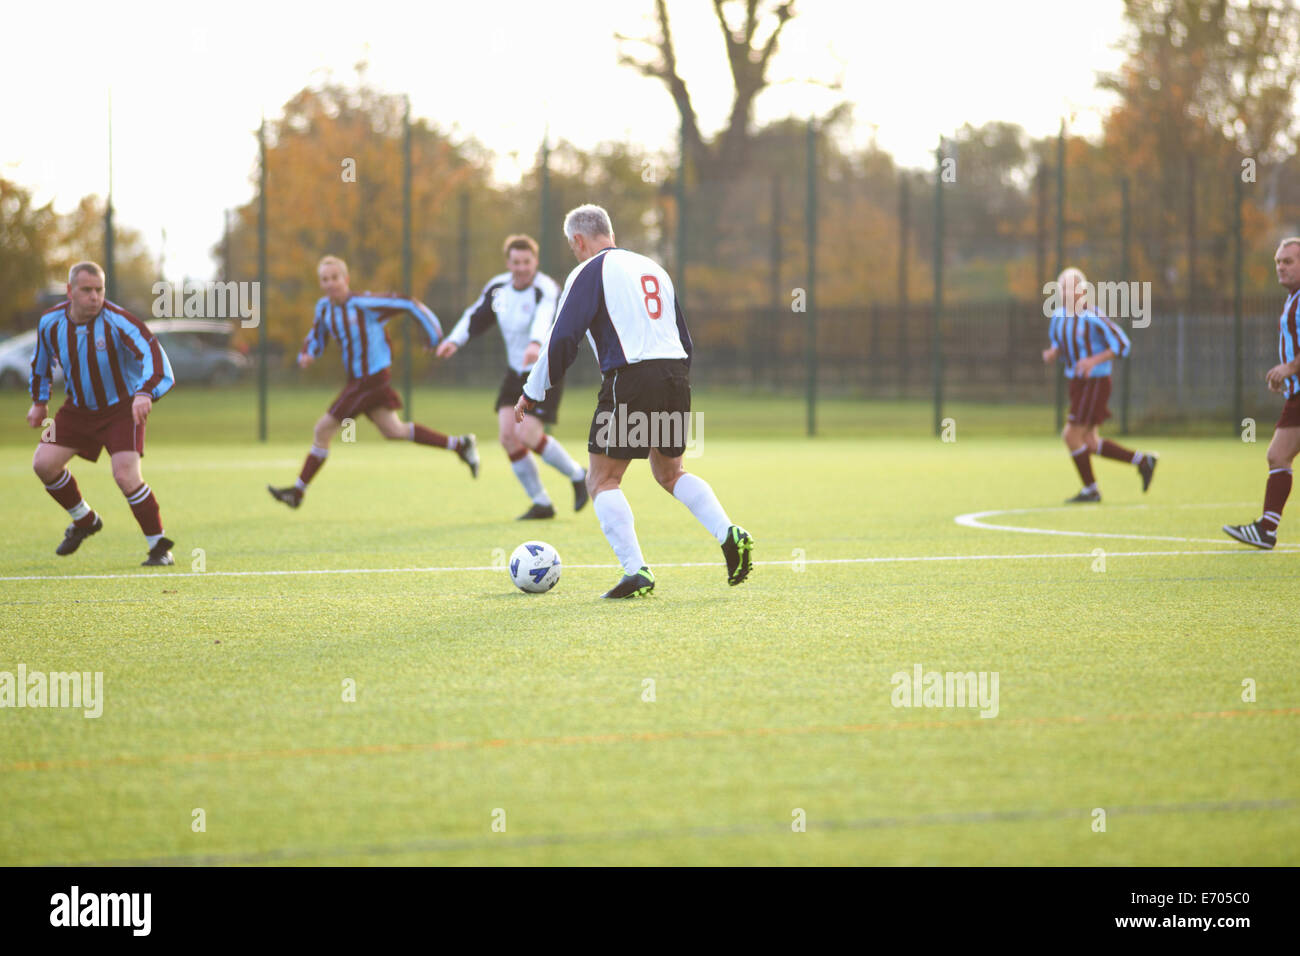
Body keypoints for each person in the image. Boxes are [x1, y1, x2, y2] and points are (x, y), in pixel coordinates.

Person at [515, 204, 753, 598]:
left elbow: (562, 338)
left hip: (630, 378)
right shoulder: (653, 268)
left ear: (578, 240)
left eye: (573, 247)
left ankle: (636, 571)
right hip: (675, 375)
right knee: (670, 472)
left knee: (602, 478)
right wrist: (673, 384)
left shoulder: (589, 271)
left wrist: (532, 392)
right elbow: (684, 339)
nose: (575, 253)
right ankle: (729, 531)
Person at [268, 255, 478, 508]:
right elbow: (318, 333)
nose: (330, 283)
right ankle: (460, 444)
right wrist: (308, 352)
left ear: (345, 279)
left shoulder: (365, 303)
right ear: (320, 283)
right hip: (358, 380)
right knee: (394, 431)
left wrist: (435, 338)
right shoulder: (324, 308)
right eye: (325, 279)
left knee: (322, 430)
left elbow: (408, 304)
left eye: (335, 277)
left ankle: (298, 492)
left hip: (372, 378)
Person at [27, 261, 177, 566]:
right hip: (76, 409)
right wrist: (39, 402)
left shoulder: (119, 321)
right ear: (70, 291)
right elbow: (41, 363)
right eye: (86, 290)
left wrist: (146, 391)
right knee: (43, 464)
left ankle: (159, 547)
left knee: (125, 475)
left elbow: (154, 356)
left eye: (99, 290)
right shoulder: (50, 322)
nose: (95, 297)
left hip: (122, 409)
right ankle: (85, 520)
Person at [436, 234, 588, 519]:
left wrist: (534, 343)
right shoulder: (498, 290)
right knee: (508, 435)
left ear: (535, 262)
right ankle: (541, 502)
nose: (521, 268)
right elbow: (477, 316)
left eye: (526, 262)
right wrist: (454, 341)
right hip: (515, 371)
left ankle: (579, 475)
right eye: (516, 262)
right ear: (508, 263)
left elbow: (545, 317)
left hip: (544, 369)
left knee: (527, 434)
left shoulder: (546, 289)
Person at [1042, 267, 1157, 503]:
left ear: (1082, 290)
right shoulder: (1058, 318)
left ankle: (1091, 489)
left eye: (1069, 286)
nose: (1064, 291)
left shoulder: (1092, 316)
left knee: (1071, 435)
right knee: (1090, 442)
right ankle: (1143, 461)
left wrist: (1094, 361)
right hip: (1076, 382)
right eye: (1061, 286)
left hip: (1095, 382)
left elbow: (1122, 344)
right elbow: (1059, 344)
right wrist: (1053, 353)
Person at [1223, 237, 1300, 549]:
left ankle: (1267, 528)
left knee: (1277, 455)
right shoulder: (1293, 299)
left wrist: (1290, 368)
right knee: (1278, 455)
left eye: (1288, 261)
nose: (1280, 267)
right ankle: (1267, 529)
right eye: (1278, 262)